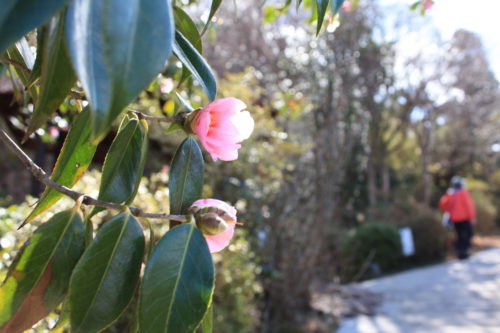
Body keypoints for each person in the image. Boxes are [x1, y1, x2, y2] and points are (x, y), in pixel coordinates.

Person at [439, 176, 477, 259]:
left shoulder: (450, 193)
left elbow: (442, 204)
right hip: (464, 218)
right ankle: (463, 250)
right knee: (468, 234)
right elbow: (468, 206)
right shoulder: (463, 192)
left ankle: (460, 252)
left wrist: (450, 211)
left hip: (454, 219)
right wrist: (472, 217)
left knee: (459, 235)